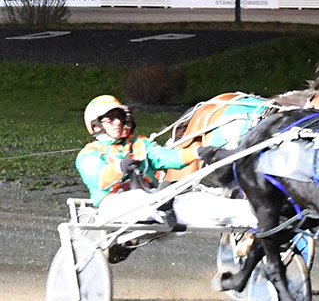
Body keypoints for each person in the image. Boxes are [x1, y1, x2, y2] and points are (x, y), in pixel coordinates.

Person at [76, 95, 255, 229]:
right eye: (110, 119)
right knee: (143, 199)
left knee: (204, 201)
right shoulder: (89, 154)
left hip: (155, 199)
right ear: (96, 125)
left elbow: (166, 157)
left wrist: (198, 152)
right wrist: (120, 167)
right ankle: (163, 206)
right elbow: (97, 178)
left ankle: (256, 216)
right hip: (114, 206)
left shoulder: (139, 143)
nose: (117, 123)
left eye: (119, 117)